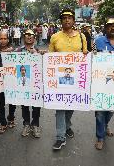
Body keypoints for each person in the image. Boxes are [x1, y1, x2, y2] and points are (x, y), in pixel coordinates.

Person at [49, 8, 88, 150]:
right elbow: (50, 58)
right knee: (60, 107)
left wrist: (87, 54)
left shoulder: (82, 37)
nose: (67, 20)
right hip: (59, 78)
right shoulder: (55, 37)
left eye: (69, 18)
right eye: (64, 18)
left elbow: (86, 55)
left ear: (73, 20)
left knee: (71, 105)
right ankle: (60, 137)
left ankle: (67, 126)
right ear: (61, 21)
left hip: (77, 78)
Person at [92, 18, 114, 150]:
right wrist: (92, 55)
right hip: (101, 83)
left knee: (111, 110)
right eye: (110, 26)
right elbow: (92, 58)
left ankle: (105, 126)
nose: (113, 28)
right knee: (100, 112)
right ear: (105, 28)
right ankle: (100, 137)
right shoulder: (98, 41)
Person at [15, 29, 42, 138]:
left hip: (35, 84)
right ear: (23, 37)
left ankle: (35, 125)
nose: (29, 37)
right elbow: (12, 64)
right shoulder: (17, 51)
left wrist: (36, 54)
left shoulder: (39, 51)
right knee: (24, 105)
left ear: (34, 38)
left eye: (31, 35)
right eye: (27, 35)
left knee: (36, 106)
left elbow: (42, 65)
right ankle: (26, 124)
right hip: (23, 83)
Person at [0, 31, 16, 134]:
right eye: (1, 38)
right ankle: (3, 123)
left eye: (5, 38)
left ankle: (11, 118)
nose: (3, 41)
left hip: (11, 82)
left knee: (12, 102)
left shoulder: (14, 51)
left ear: (8, 39)